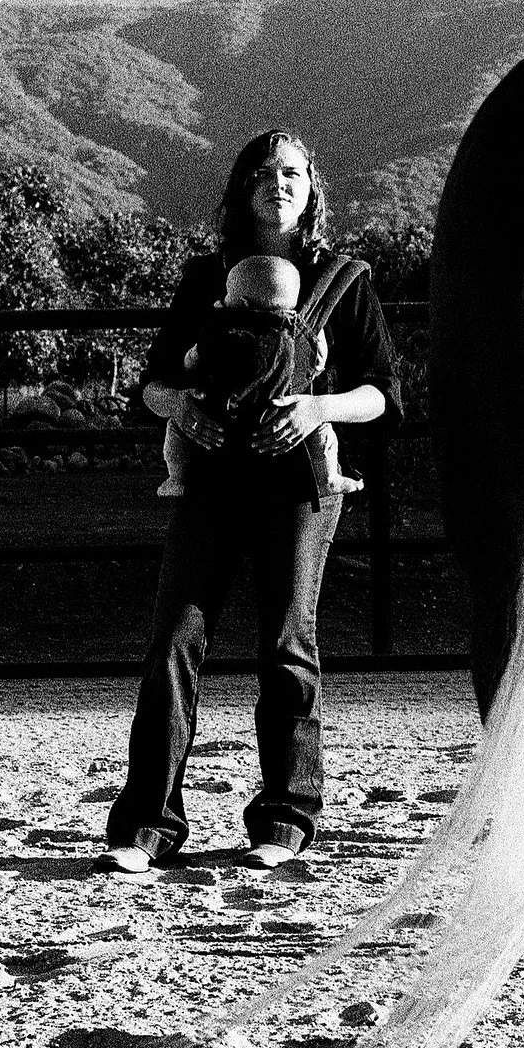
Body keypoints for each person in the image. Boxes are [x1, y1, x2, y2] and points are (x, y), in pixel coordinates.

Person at [99, 130, 403, 875]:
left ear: (312, 187)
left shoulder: (344, 280)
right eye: (263, 171)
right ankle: (146, 826)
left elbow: (384, 395)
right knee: (174, 639)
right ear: (242, 188)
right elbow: (154, 383)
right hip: (210, 477)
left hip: (298, 483)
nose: (279, 182)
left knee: (286, 643)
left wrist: (319, 409)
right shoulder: (206, 277)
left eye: (293, 171)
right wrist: (179, 405)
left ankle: (286, 817)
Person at [157, 253, 363, 502]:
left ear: (242, 303)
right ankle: (328, 478)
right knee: (321, 429)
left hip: (222, 420)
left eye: (227, 295)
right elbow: (318, 363)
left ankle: (177, 478)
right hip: (280, 419)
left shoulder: (220, 332)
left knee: (176, 427)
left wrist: (191, 364)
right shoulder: (299, 333)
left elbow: (193, 362)